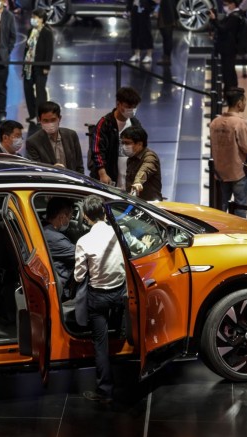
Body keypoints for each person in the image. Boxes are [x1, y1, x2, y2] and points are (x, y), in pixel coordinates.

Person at [74, 195, 125, 403]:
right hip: (121, 293)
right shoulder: (119, 233)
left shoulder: (83, 241)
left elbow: (78, 276)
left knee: (100, 344)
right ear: (104, 213)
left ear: (85, 217)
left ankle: (105, 391)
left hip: (99, 297)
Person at [209, 87, 247, 218]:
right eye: (244, 101)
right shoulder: (239, 123)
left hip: (220, 174)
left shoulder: (214, 123)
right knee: (240, 210)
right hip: (239, 173)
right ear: (239, 103)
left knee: (221, 211)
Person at [90, 86, 144, 187]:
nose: (131, 110)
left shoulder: (135, 123)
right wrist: (102, 173)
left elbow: (142, 148)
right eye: (128, 106)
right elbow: (97, 151)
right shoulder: (105, 123)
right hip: (109, 177)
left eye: (134, 107)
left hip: (128, 177)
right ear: (118, 104)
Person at [26, 101, 84, 173]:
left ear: (59, 118)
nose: (50, 124)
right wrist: (52, 170)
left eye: (53, 120)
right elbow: (35, 171)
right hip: (48, 182)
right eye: (45, 121)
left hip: (71, 182)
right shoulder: (33, 142)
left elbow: (79, 167)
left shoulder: (71, 136)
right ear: (39, 120)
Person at [23, 9, 54, 124]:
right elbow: (27, 49)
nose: (33, 19)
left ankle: (42, 116)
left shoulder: (47, 32)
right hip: (28, 66)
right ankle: (32, 114)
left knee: (40, 92)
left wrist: (47, 66)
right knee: (28, 90)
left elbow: (49, 50)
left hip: (40, 66)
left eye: (35, 17)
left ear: (42, 19)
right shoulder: (31, 30)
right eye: (33, 17)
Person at [42, 197, 76, 295]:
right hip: (58, 288)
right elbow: (80, 254)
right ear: (61, 217)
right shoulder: (54, 238)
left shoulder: (44, 228)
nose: (70, 221)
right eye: (70, 218)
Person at [208, 0, 244, 90]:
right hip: (228, 48)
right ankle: (231, 92)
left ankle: (230, 92)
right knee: (229, 70)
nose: (224, 7)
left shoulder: (234, 17)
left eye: (226, 4)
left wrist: (214, 19)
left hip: (229, 48)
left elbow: (223, 29)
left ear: (232, 4)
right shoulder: (232, 15)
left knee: (228, 72)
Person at [120, 126, 162, 200]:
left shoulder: (150, 156)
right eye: (122, 143)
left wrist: (138, 182)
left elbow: (145, 169)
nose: (124, 146)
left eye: (127, 143)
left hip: (150, 205)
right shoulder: (131, 159)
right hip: (136, 202)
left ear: (139, 144)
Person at [155, 0, 178, 66]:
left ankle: (167, 58)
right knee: (167, 37)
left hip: (167, 14)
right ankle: (166, 57)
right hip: (167, 13)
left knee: (167, 37)